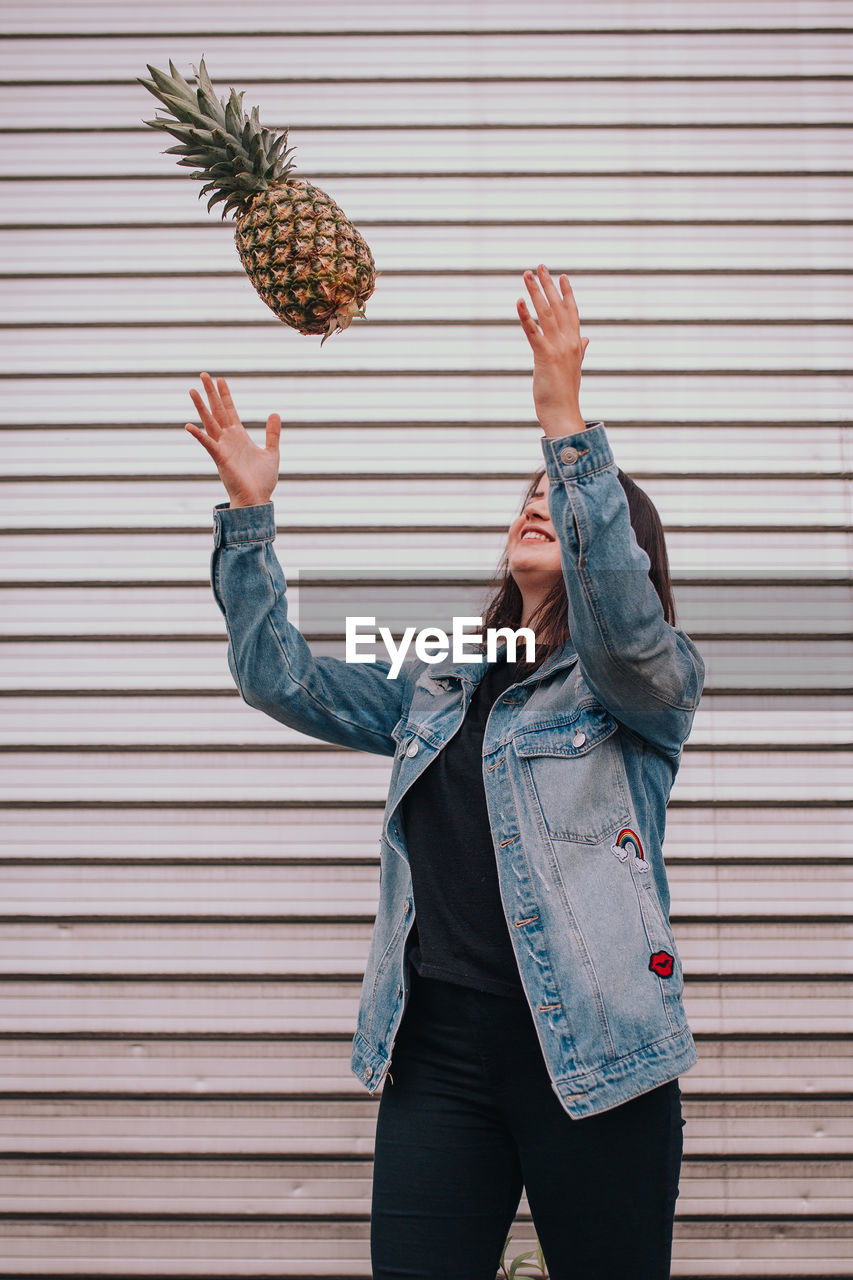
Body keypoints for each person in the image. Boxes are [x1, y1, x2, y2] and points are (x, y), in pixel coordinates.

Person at [185, 265, 706, 1280]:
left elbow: (625, 628)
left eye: (559, 496)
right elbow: (277, 676)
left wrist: (564, 422)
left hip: (597, 1058)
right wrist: (249, 519)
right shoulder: (443, 677)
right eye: (528, 493)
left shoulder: (645, 684)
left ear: (617, 544)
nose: (536, 504)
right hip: (439, 1055)